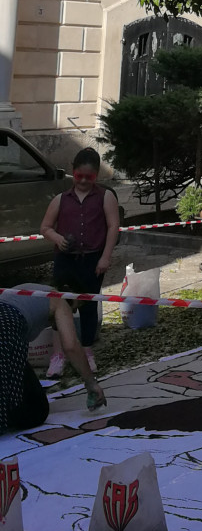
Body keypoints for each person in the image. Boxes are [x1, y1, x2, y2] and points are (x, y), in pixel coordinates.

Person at [40, 147, 120, 376]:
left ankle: (86, 351)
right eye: (79, 176)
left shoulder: (105, 197)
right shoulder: (60, 199)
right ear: (73, 173)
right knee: (59, 307)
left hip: (92, 259)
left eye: (89, 177)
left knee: (88, 306)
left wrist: (105, 257)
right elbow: (45, 227)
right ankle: (58, 355)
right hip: (65, 260)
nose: (84, 181)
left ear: (96, 175)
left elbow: (113, 226)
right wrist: (57, 238)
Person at [0, 285, 104, 430]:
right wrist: (90, 383)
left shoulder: (32, 291)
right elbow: (71, 346)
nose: (73, 312)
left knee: (26, 389)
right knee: (24, 409)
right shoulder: (59, 300)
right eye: (75, 306)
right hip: (6, 328)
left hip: (9, 326)